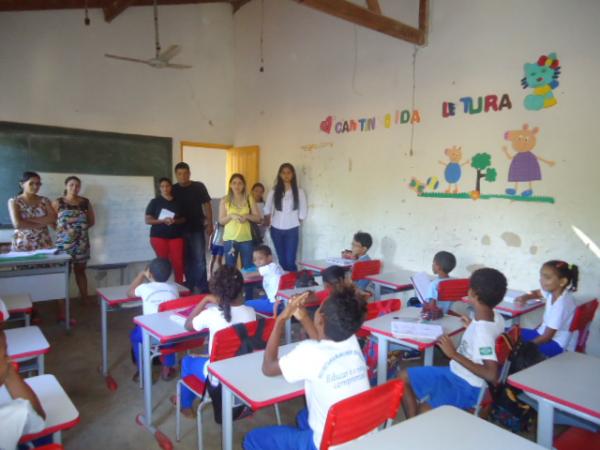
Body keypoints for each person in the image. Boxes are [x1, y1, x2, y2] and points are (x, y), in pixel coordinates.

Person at [243, 285, 369, 450]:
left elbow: (268, 367)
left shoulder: (309, 351)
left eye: (319, 308)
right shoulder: (351, 340)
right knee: (303, 416)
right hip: (362, 437)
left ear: (320, 319)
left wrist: (280, 320)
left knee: (252, 439)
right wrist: (303, 316)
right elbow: (323, 342)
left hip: (325, 445)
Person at [399, 268, 507, 417]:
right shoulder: (496, 316)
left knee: (424, 413)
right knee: (403, 376)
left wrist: (453, 354)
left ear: (473, 294)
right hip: (456, 372)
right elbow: (486, 336)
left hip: (467, 385)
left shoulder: (483, 331)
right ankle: (412, 423)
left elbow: (491, 374)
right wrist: (471, 326)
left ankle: (417, 423)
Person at [177, 266, 256, 418]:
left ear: (216, 292)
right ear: (241, 288)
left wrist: (205, 299)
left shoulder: (211, 314)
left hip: (219, 377)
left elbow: (188, 325)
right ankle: (186, 397)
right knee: (205, 356)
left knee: (187, 361)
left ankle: (185, 404)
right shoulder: (250, 312)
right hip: (244, 372)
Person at [128, 258, 180, 381]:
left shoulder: (145, 288)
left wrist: (141, 274)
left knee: (136, 338)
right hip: (168, 333)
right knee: (169, 336)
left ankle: (143, 371)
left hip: (148, 333)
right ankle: (166, 370)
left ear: (149, 274)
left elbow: (129, 292)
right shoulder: (173, 288)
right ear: (170, 275)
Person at [517, 260, 578, 357]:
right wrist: (525, 297)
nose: (541, 280)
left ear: (562, 281)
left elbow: (547, 337)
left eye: (547, 277)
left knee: (510, 341)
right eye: (541, 276)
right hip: (542, 334)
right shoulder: (554, 292)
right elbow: (537, 293)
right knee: (510, 333)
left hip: (555, 344)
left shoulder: (561, 304)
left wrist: (525, 346)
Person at [52, 176, 96, 305]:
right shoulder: (58, 202)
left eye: (77, 185)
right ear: (66, 186)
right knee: (64, 272)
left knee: (80, 271)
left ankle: (85, 298)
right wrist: (63, 231)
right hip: (63, 245)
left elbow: (91, 221)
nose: (74, 188)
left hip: (81, 243)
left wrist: (79, 231)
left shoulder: (85, 202)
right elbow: (52, 220)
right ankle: (61, 302)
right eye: (71, 185)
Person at [0, 329, 46, 450]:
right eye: (5, 355)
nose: (10, 360)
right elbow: (38, 417)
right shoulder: (13, 413)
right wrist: (10, 373)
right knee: (44, 439)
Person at [172, 162, 213, 293]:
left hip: (196, 228)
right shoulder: (173, 189)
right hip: (179, 230)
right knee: (186, 260)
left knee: (200, 259)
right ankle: (189, 286)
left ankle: (202, 287)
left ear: (189, 174)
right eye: (179, 174)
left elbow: (207, 205)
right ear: (176, 175)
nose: (182, 176)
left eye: (185, 173)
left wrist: (210, 223)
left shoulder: (198, 186)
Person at [264, 163, 307, 272]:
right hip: (276, 229)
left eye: (289, 173)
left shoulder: (299, 191)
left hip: (292, 229)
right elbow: (267, 207)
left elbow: (303, 210)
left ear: (293, 174)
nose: (286, 175)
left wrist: (298, 220)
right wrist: (267, 221)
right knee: (281, 260)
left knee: (290, 260)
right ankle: (284, 285)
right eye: (283, 173)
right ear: (279, 174)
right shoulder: (274, 191)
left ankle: (293, 285)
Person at [144, 177, 186, 284]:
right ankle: (162, 286)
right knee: (162, 263)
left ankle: (179, 286)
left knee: (178, 263)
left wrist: (174, 221)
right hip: (158, 237)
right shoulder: (155, 202)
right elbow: (148, 220)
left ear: (171, 187)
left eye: (167, 186)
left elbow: (184, 219)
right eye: (162, 186)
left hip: (176, 237)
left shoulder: (178, 202)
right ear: (159, 188)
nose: (165, 188)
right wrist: (162, 220)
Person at [219, 173, 261, 270]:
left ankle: (247, 286)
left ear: (244, 185)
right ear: (230, 185)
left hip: (246, 239)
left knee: (248, 268)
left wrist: (246, 216)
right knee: (230, 269)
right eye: (234, 183)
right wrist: (231, 216)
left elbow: (258, 218)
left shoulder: (249, 198)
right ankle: (231, 286)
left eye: (240, 183)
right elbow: (221, 221)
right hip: (230, 240)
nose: (237, 186)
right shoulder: (224, 200)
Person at [8, 172, 56, 251]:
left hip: (43, 241)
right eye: (31, 183)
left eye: (38, 184)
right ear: (22, 184)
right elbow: (18, 224)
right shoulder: (14, 201)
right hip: (23, 243)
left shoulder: (44, 200)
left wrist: (27, 220)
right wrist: (43, 222)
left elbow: (52, 218)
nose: (35, 186)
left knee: (44, 263)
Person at [245, 245, 284, 316]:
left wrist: (242, 273)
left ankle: (250, 322)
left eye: (260, 258)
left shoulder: (268, 268)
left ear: (270, 258)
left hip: (275, 305)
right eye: (254, 260)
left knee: (246, 303)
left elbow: (249, 276)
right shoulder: (276, 266)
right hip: (283, 303)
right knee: (262, 298)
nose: (257, 262)